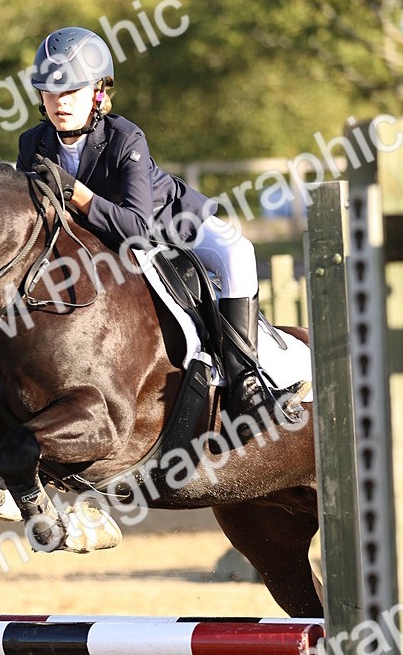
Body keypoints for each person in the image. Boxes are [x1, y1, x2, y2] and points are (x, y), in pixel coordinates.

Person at [16, 25, 278, 420]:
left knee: (240, 252)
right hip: (104, 241)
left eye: (71, 91)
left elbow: (138, 227)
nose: (59, 102)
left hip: (171, 222)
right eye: (50, 92)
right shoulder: (32, 143)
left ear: (98, 93)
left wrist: (79, 194)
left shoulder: (126, 138)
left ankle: (246, 381)